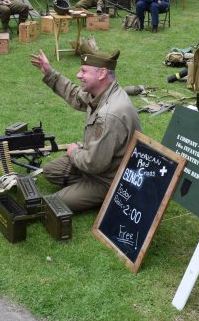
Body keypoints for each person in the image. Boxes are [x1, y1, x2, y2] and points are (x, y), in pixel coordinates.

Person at [30, 48, 141, 212]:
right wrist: (49, 72)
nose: (78, 75)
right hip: (97, 165)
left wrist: (74, 152)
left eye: (84, 71)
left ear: (102, 73)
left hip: (109, 178)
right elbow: (76, 95)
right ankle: (84, 187)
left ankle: (104, 194)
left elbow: (94, 164)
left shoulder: (110, 115)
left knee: (55, 203)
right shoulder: (102, 92)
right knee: (50, 171)